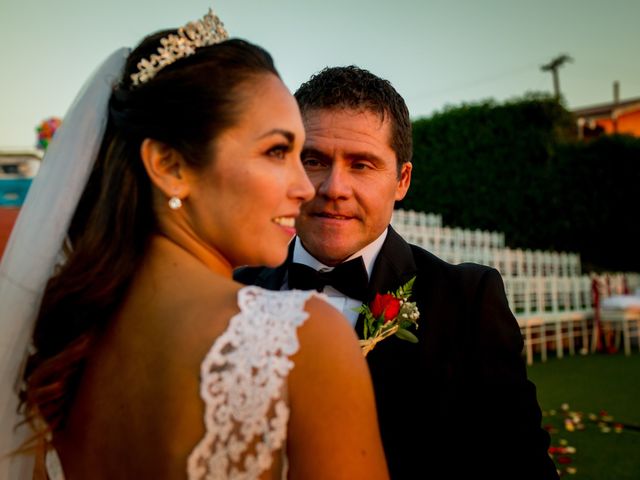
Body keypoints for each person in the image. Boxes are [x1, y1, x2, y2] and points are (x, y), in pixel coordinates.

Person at [0, 11, 389, 479]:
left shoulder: (63, 349)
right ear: (169, 165)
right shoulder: (300, 341)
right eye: (277, 152)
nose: (307, 188)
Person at [235, 66, 560, 479]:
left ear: (401, 180)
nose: (334, 187)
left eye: (362, 165)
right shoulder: (233, 294)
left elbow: (521, 466)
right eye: (314, 160)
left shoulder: (467, 300)